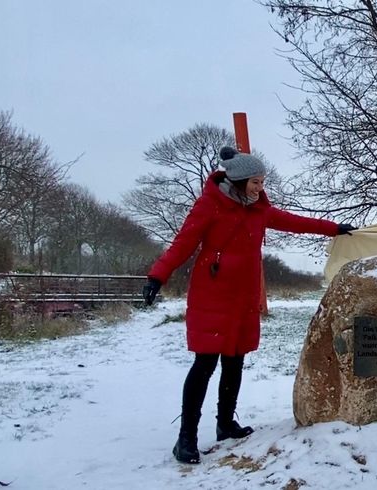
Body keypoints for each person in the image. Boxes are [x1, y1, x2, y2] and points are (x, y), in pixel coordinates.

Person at [142, 146, 356, 464]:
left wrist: (334, 228)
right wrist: (157, 277)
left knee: (235, 361)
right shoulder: (209, 206)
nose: (260, 188)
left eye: (262, 181)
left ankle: (225, 423)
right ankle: (185, 438)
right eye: (256, 182)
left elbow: (295, 222)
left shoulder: (260, 210)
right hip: (211, 295)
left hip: (243, 299)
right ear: (239, 180)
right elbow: (182, 243)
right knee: (204, 365)